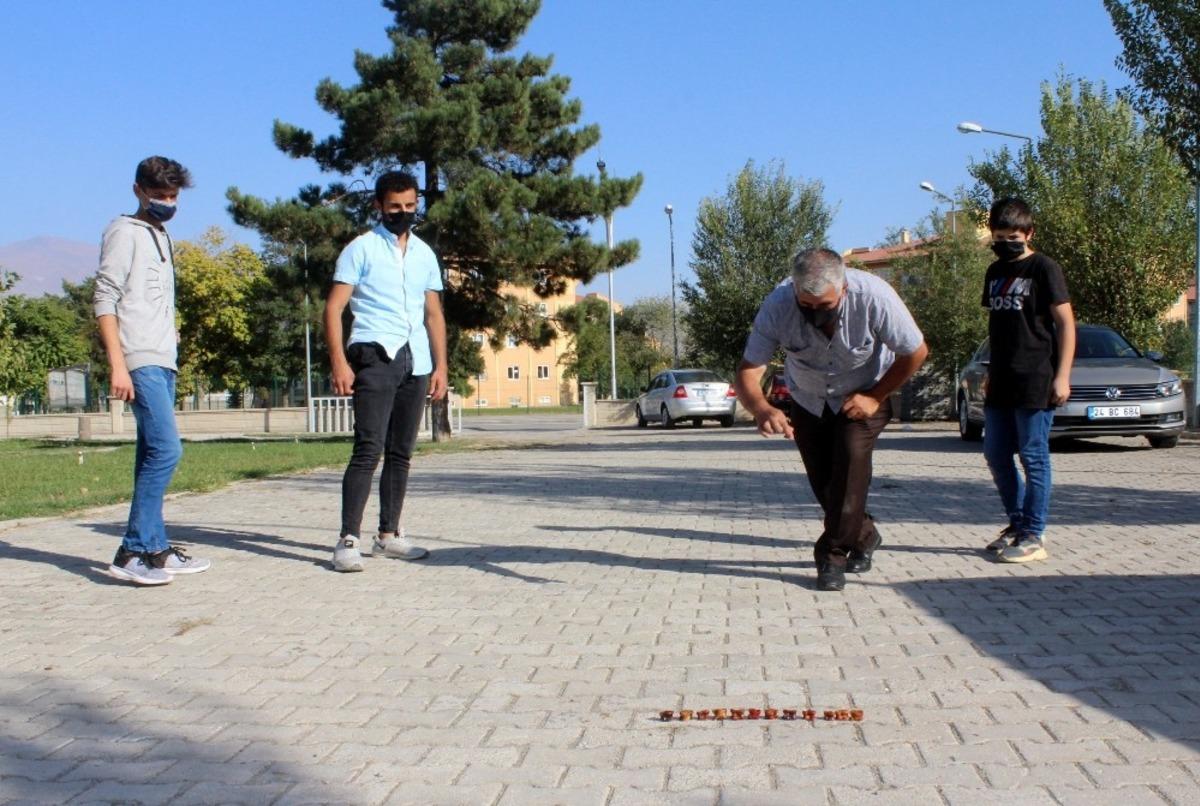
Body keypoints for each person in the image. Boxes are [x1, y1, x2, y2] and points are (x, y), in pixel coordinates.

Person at [736, 248, 928, 592]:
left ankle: (832, 555)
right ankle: (865, 534)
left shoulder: (875, 297)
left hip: (865, 394)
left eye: (824, 307)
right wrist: (762, 408)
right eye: (805, 306)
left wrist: (874, 397)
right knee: (826, 484)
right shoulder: (777, 305)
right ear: (795, 290)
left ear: (844, 289)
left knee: (851, 461)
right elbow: (750, 369)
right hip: (808, 399)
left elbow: (915, 352)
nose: (814, 315)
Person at [324, 170, 448, 572]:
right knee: (368, 449)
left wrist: (441, 365)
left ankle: (388, 535)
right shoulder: (360, 249)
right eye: (395, 207)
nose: (404, 213)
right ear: (379, 205)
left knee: (401, 453)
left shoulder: (425, 254)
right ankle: (347, 539)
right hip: (375, 355)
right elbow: (333, 308)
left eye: (411, 206)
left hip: (416, 361)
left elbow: (433, 314)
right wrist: (339, 362)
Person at [95, 156, 211, 586]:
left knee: (150, 454)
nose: (166, 203)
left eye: (173, 196)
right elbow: (105, 298)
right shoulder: (124, 232)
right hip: (137, 358)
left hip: (162, 358)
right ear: (138, 191)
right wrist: (118, 366)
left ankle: (156, 550)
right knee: (168, 450)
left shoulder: (161, 234)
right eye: (158, 195)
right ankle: (131, 551)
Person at [980, 197, 1075, 563]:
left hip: (1036, 377)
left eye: (1013, 236)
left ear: (1029, 233)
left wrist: (1062, 376)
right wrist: (990, 371)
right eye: (999, 236)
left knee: (1033, 457)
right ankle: (1017, 524)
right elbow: (998, 327)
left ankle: (1034, 534)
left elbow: (1066, 323)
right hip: (1001, 379)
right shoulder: (994, 272)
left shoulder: (1043, 268)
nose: (1006, 242)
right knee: (996, 454)